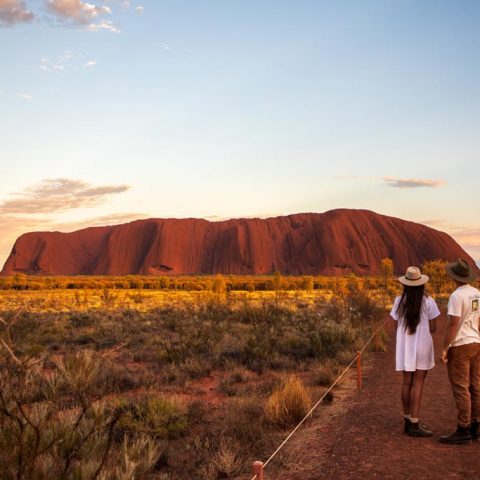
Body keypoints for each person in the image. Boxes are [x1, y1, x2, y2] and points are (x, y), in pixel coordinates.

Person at [390, 266, 440, 437]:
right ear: (421, 284)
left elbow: (395, 325)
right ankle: (415, 423)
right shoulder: (428, 301)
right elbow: (434, 327)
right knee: (418, 383)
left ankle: (407, 420)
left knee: (406, 382)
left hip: (405, 345)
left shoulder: (399, 301)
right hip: (423, 345)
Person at [439, 258, 480, 444]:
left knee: (461, 386)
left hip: (461, 344)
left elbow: (453, 323)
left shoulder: (456, 296)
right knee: (475, 385)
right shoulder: (477, 293)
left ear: (454, 277)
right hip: (476, 342)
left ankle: (463, 429)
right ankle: (475, 426)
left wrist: (445, 347)